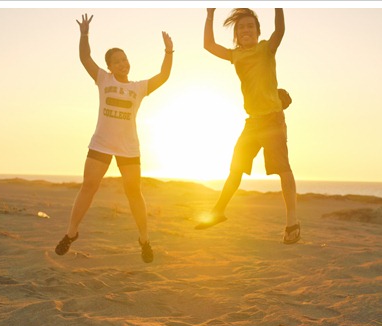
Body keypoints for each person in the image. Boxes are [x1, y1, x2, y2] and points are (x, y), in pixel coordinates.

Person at [55, 13, 174, 262]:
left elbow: (163, 77)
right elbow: (85, 58)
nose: (122, 63)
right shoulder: (103, 79)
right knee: (89, 186)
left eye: (125, 59)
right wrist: (84, 34)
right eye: (117, 61)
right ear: (109, 66)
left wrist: (169, 52)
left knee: (134, 193)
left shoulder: (138, 88)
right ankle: (71, 233)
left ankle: (144, 239)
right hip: (101, 143)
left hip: (128, 148)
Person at [196, 8, 300, 244]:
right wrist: (210, 14)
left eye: (250, 26)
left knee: (283, 169)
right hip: (252, 122)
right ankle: (218, 212)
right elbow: (209, 45)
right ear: (236, 34)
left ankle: (292, 222)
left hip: (273, 119)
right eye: (241, 27)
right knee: (236, 168)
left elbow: (280, 30)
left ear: (257, 31)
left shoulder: (266, 49)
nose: (246, 30)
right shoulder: (235, 55)